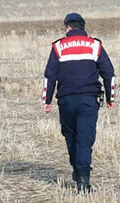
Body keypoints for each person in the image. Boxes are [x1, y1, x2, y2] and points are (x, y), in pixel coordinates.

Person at [43, 13, 115, 193]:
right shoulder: (95, 45)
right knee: (84, 139)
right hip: (88, 100)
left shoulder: (58, 46)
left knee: (70, 136)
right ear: (83, 27)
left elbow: (50, 75)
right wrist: (110, 98)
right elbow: (109, 73)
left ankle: (78, 170)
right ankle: (83, 181)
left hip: (66, 100)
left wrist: (47, 100)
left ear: (67, 27)